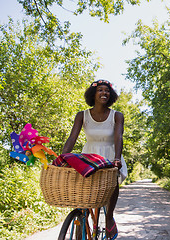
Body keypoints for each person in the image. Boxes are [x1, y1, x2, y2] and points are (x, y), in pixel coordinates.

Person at [62, 79, 127, 240]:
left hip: (110, 154)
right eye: (100, 90)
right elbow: (72, 138)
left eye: (107, 91)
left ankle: (110, 216)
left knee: (112, 182)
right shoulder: (82, 115)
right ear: (93, 94)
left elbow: (119, 137)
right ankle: (81, 220)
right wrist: (63, 156)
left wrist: (117, 158)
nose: (104, 93)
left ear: (110, 95)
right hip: (89, 155)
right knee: (82, 190)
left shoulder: (116, 115)